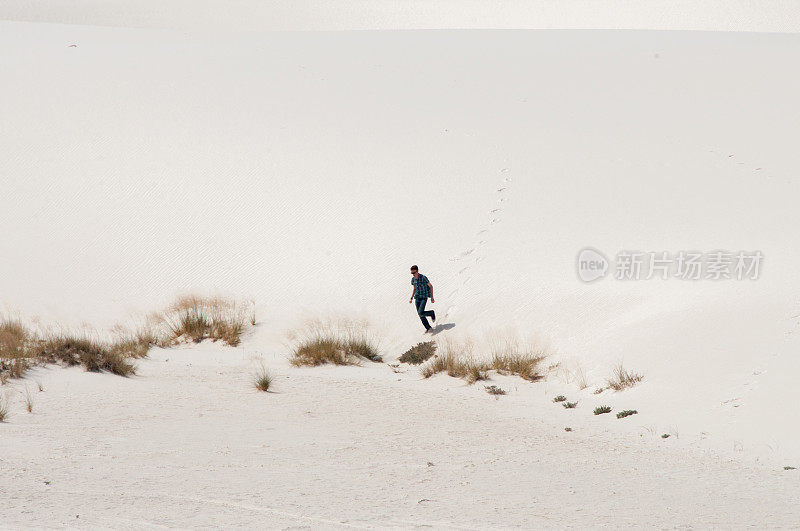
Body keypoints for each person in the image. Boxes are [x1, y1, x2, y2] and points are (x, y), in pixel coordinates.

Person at [409, 265, 436, 332]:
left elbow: (431, 286)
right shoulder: (413, 279)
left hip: (424, 297)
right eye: (412, 273)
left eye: (414, 273)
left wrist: (432, 297)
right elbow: (414, 288)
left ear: (417, 271)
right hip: (417, 298)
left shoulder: (423, 277)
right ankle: (428, 328)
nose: (413, 275)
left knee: (420, 312)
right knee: (420, 314)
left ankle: (431, 313)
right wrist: (411, 298)